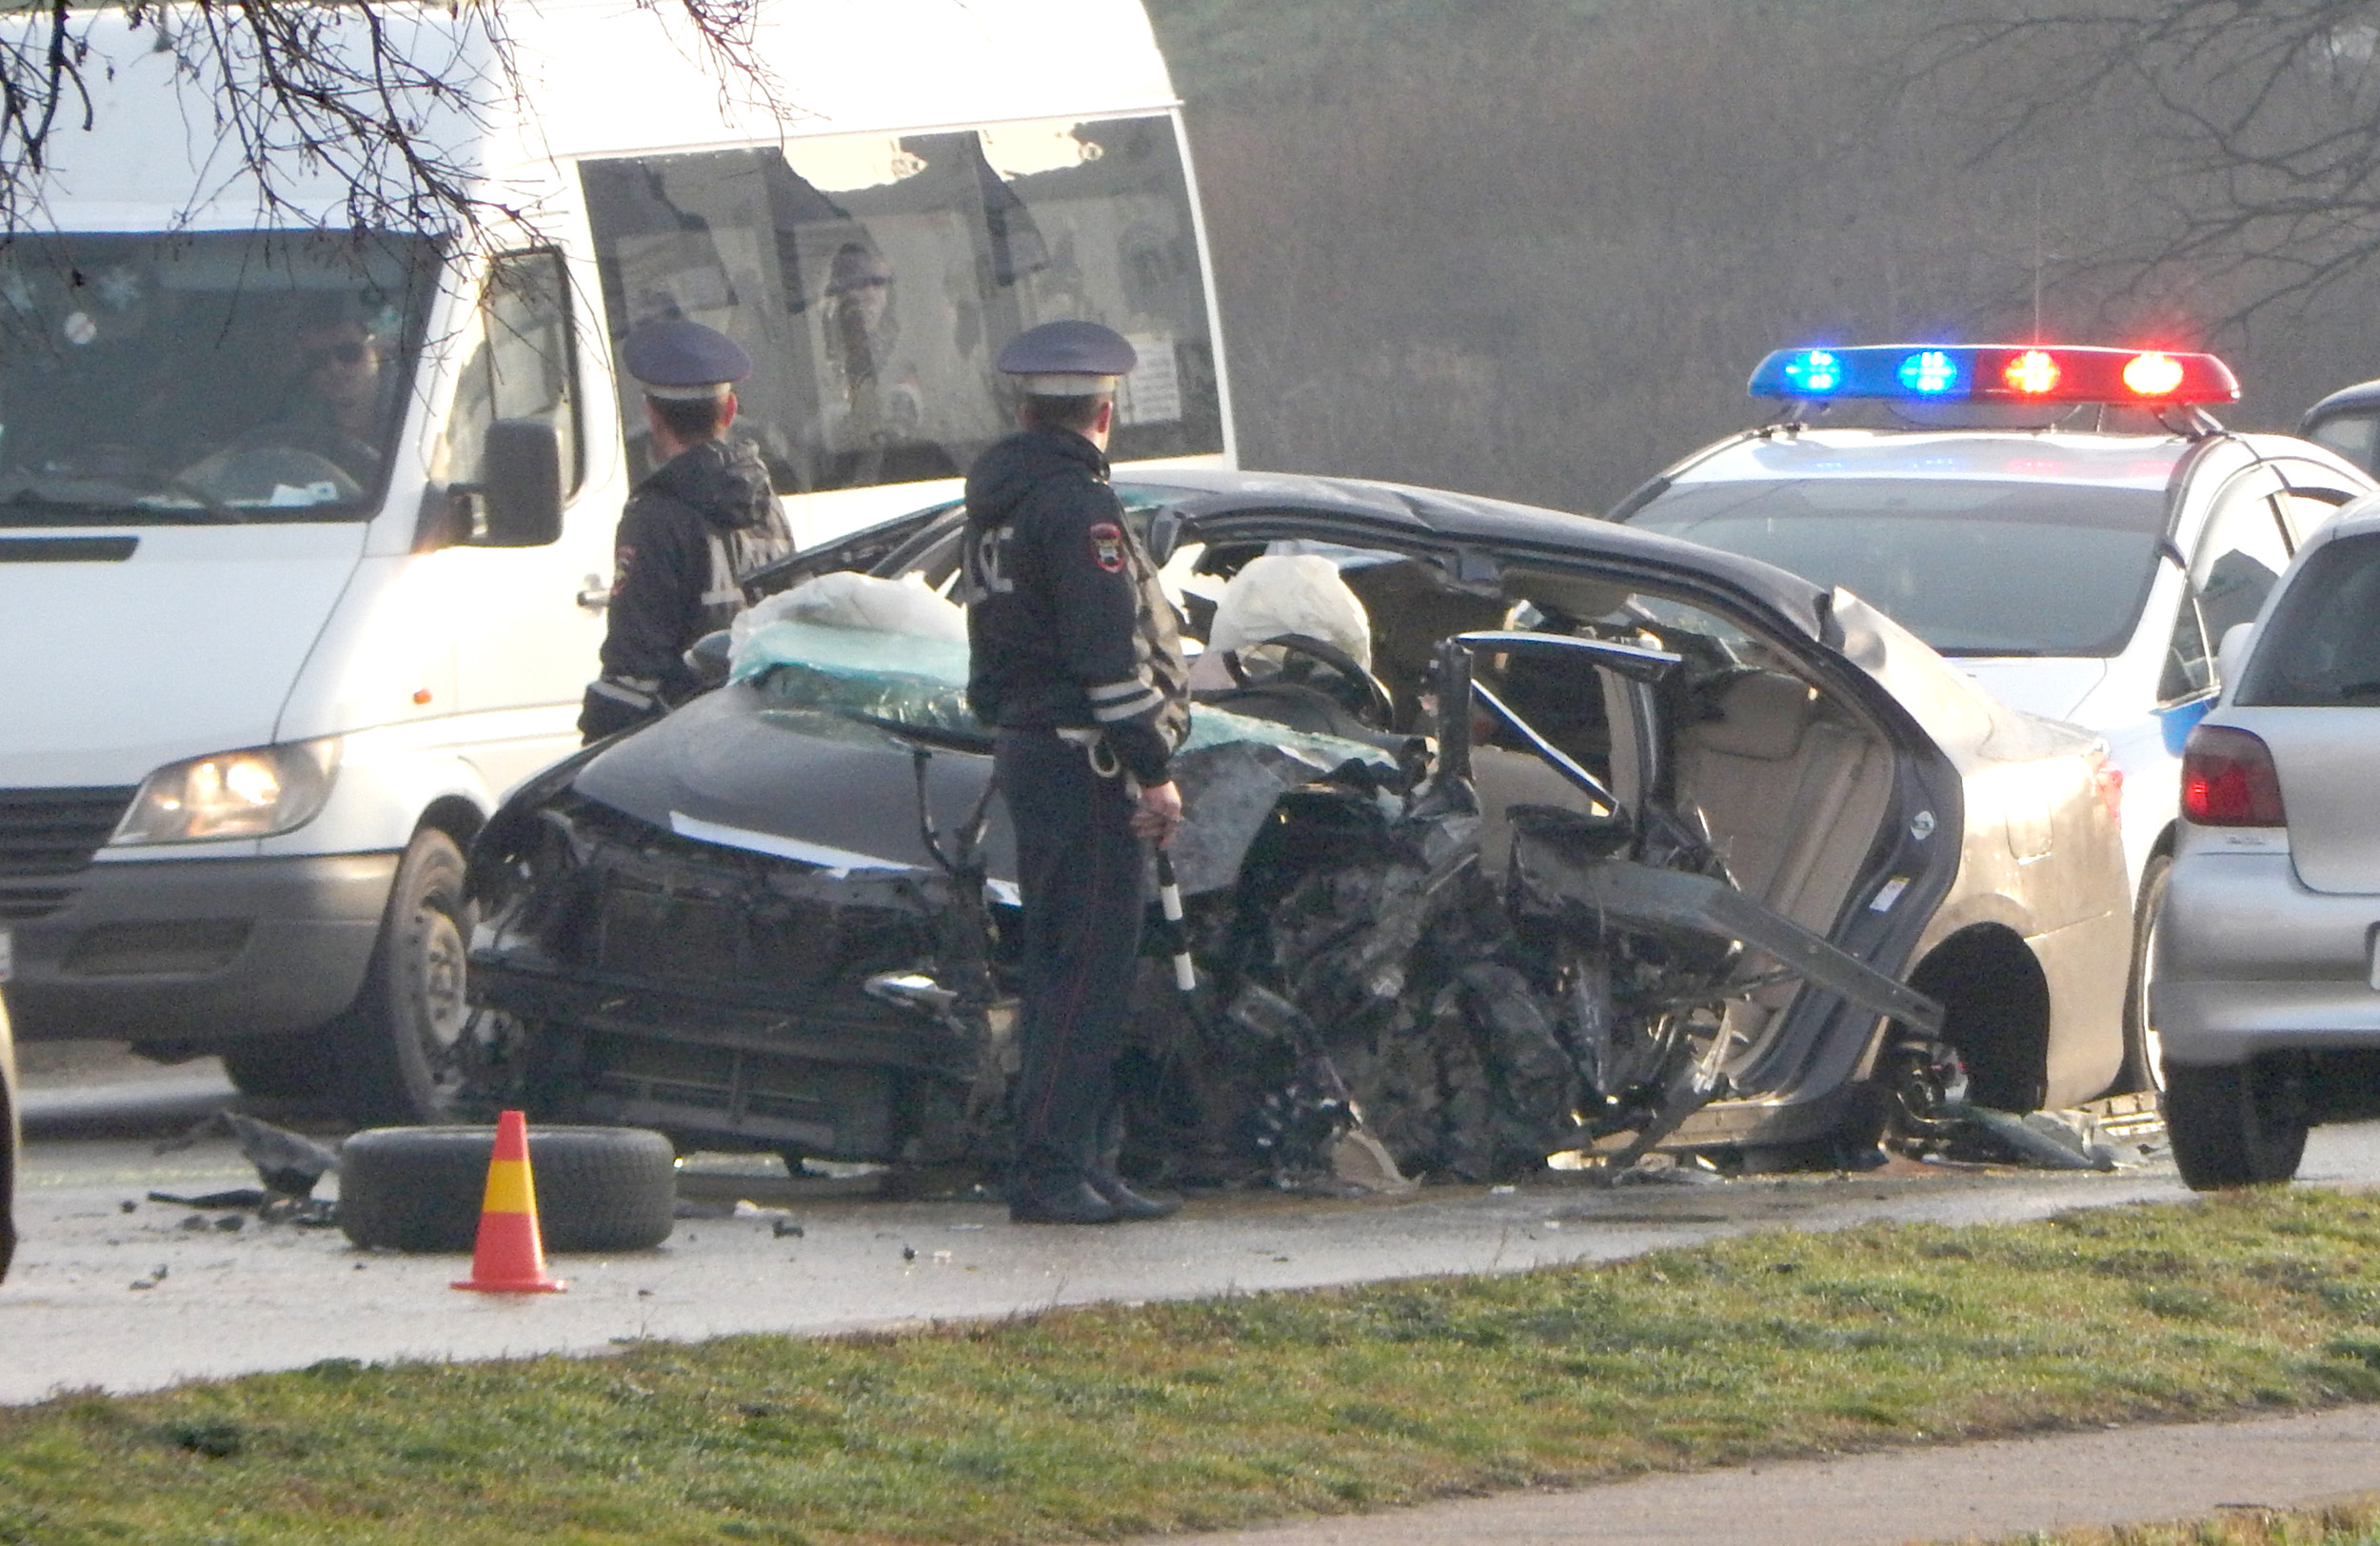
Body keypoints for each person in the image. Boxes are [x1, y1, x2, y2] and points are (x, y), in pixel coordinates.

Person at [962, 319, 1191, 1226]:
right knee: (1085, 974)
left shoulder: (1000, 502)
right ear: (1104, 412)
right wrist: (1154, 771)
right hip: (1079, 760)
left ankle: (1083, 1164)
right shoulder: (1080, 510)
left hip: (1033, 749)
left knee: (1068, 966)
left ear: (1027, 408)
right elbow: (1108, 662)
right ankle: (1054, 1172)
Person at [578, 318, 795, 743]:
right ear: (729, 410)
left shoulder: (654, 516)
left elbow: (635, 664)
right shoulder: (769, 505)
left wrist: (595, 749)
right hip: (765, 737)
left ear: (653, 414)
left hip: (686, 745)